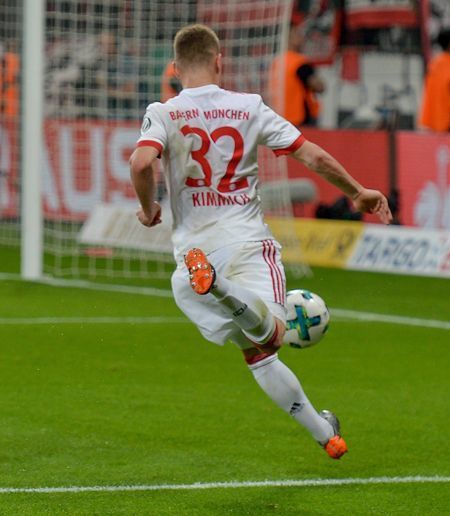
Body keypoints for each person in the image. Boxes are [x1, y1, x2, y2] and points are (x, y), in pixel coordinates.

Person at [130, 24, 393, 460]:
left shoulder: (164, 111)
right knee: (272, 338)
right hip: (248, 246)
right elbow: (313, 155)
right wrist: (357, 192)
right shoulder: (249, 107)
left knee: (258, 353)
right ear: (219, 61)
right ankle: (216, 283)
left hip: (189, 259)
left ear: (175, 69)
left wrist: (147, 208)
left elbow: (141, 162)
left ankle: (325, 433)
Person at [268, 24, 324, 127]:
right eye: (298, 35)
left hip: (280, 117)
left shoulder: (277, 62)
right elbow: (319, 87)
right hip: (300, 119)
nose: (302, 38)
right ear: (290, 39)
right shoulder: (299, 63)